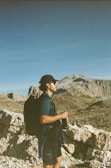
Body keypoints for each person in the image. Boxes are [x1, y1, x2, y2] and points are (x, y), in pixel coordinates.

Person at [38, 74, 68, 168]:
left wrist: (61, 117)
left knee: (58, 159)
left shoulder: (48, 99)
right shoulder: (44, 99)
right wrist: (60, 116)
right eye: (54, 83)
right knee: (48, 163)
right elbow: (43, 119)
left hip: (54, 135)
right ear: (47, 84)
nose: (56, 85)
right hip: (48, 136)